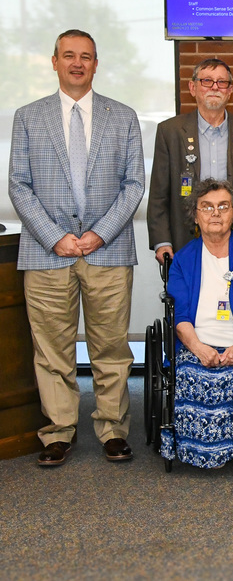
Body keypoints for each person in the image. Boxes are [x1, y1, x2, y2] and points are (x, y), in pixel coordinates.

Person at [9, 29, 145, 466]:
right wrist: (55, 236)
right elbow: (19, 185)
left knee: (111, 346)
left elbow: (133, 185)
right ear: (54, 62)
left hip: (107, 250)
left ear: (96, 64)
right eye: (69, 56)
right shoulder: (28, 116)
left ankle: (112, 428)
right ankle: (58, 432)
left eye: (86, 56)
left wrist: (99, 233)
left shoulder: (122, 116)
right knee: (52, 350)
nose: (77, 63)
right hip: (47, 252)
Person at [161, 179, 233, 468]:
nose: (215, 213)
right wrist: (199, 348)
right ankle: (201, 449)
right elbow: (181, 316)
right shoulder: (184, 259)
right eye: (207, 207)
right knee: (192, 375)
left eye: (223, 206)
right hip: (197, 343)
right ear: (196, 215)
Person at [148, 58, 233, 264]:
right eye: (207, 81)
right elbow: (159, 195)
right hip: (184, 243)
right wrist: (162, 241)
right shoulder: (170, 132)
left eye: (222, 82)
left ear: (230, 91)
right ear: (192, 88)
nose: (215, 87)